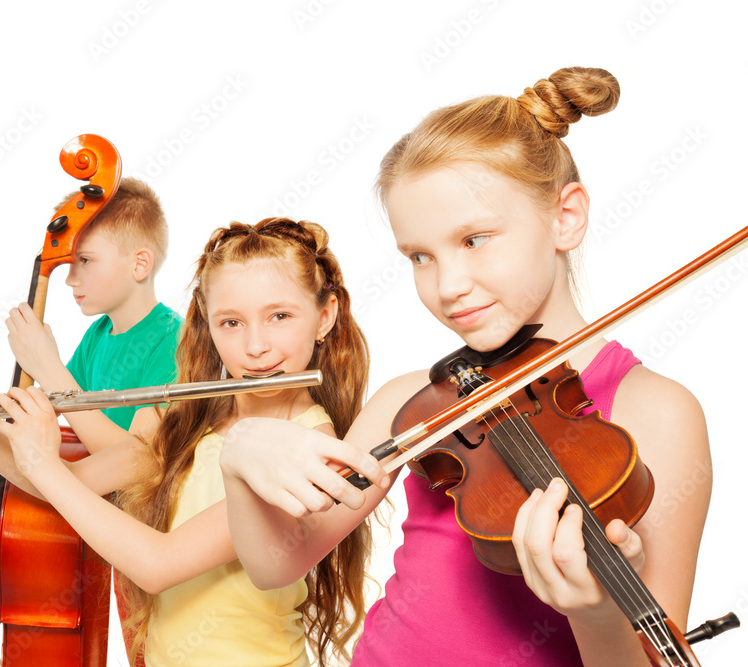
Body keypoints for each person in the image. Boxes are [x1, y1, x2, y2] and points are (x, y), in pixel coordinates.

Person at [219, 67, 711, 666]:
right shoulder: (415, 400)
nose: (447, 286)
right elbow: (277, 563)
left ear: (566, 216)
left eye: (475, 239)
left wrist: (597, 615)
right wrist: (239, 451)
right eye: (420, 256)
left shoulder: (655, 411)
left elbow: (656, 656)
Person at [0, 218, 374, 666]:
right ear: (207, 326)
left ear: (324, 317)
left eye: (279, 316)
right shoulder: (182, 417)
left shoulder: (311, 448)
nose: (256, 347)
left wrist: (43, 463)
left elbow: (157, 565)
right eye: (230, 323)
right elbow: (72, 484)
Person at [0, 176, 183, 522]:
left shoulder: (175, 339)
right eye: (70, 263)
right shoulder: (98, 334)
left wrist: (49, 369)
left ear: (140, 264)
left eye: (86, 260)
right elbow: (39, 412)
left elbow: (137, 461)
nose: (69, 279)